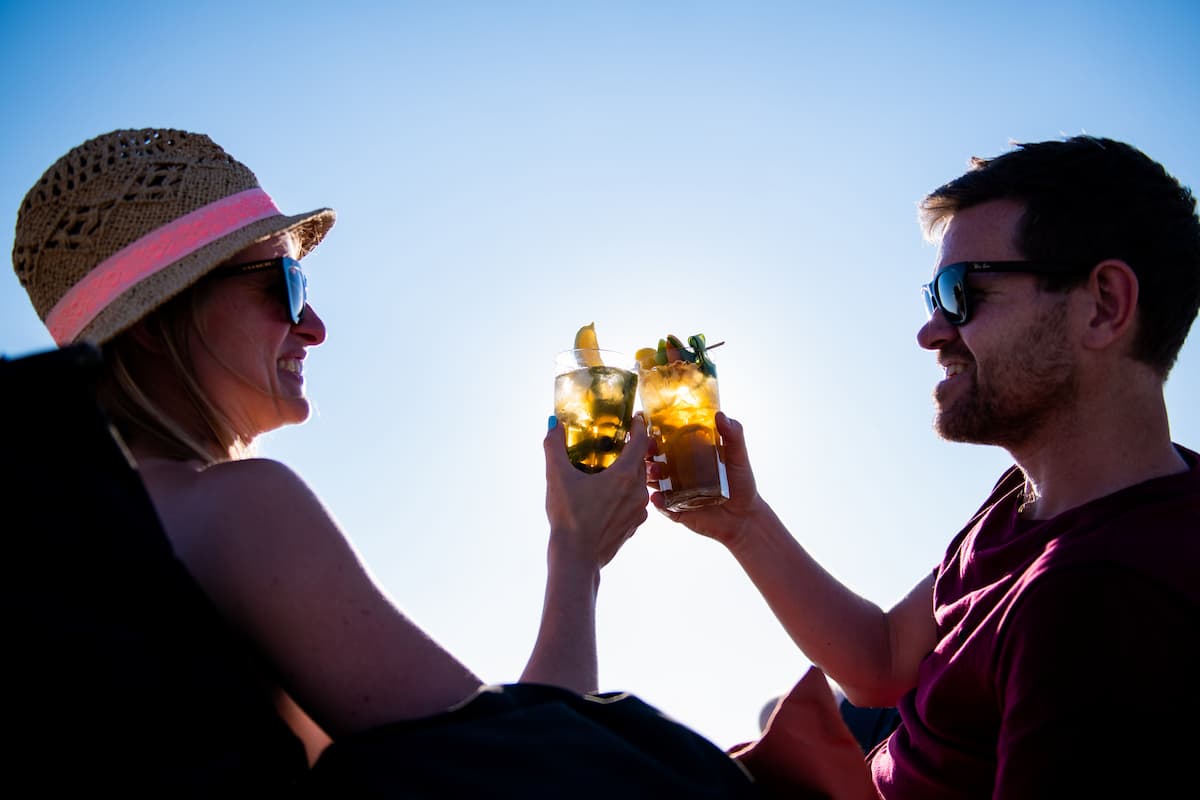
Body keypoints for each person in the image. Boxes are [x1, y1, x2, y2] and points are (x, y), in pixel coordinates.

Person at [11, 129, 652, 777]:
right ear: (155, 319)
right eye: (283, 282)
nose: (315, 326)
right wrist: (577, 553)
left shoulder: (72, 537)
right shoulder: (235, 507)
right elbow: (536, 780)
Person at [654, 136, 1200, 797]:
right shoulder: (1027, 503)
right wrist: (744, 524)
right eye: (932, 297)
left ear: (1105, 304)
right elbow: (882, 661)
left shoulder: (1101, 600)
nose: (931, 332)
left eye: (961, 292)